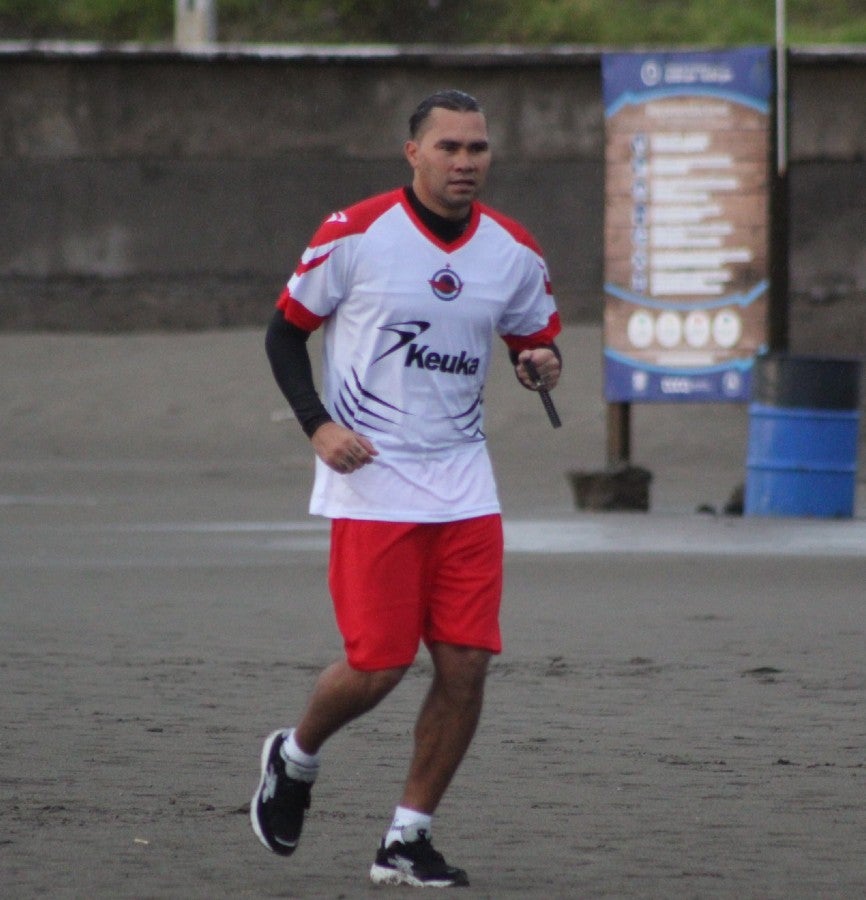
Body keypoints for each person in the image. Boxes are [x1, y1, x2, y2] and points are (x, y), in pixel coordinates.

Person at [251, 88, 562, 888]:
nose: (466, 162)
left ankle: (407, 839)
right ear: (413, 153)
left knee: (466, 668)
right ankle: (294, 756)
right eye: (449, 148)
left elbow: (536, 336)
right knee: (379, 666)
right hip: (373, 484)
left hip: (465, 487)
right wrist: (319, 426)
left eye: (478, 148)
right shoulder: (354, 234)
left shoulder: (513, 250)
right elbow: (285, 333)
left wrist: (541, 363)